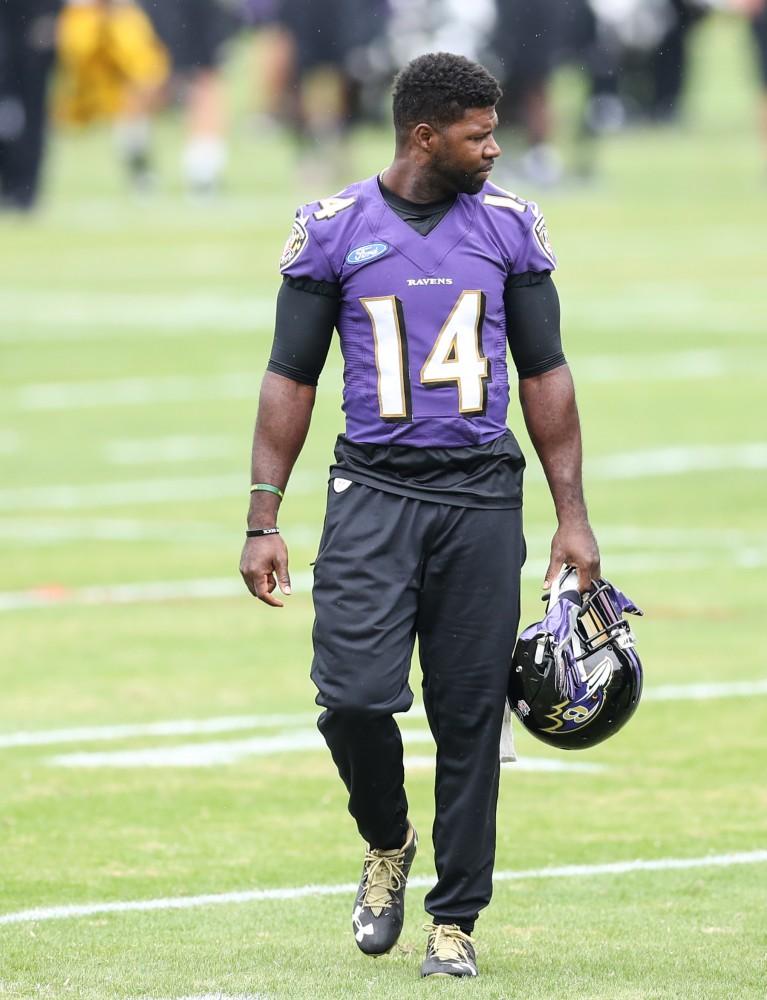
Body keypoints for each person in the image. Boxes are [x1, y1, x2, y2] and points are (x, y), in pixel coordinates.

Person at [240, 51, 600, 979]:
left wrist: (572, 516)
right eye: (478, 134)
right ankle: (387, 838)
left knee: (470, 712)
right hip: (373, 491)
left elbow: (545, 373)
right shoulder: (332, 228)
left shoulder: (510, 228)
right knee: (353, 698)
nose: (493, 148)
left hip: (480, 492)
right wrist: (262, 514)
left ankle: (455, 920)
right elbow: (291, 375)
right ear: (423, 134)